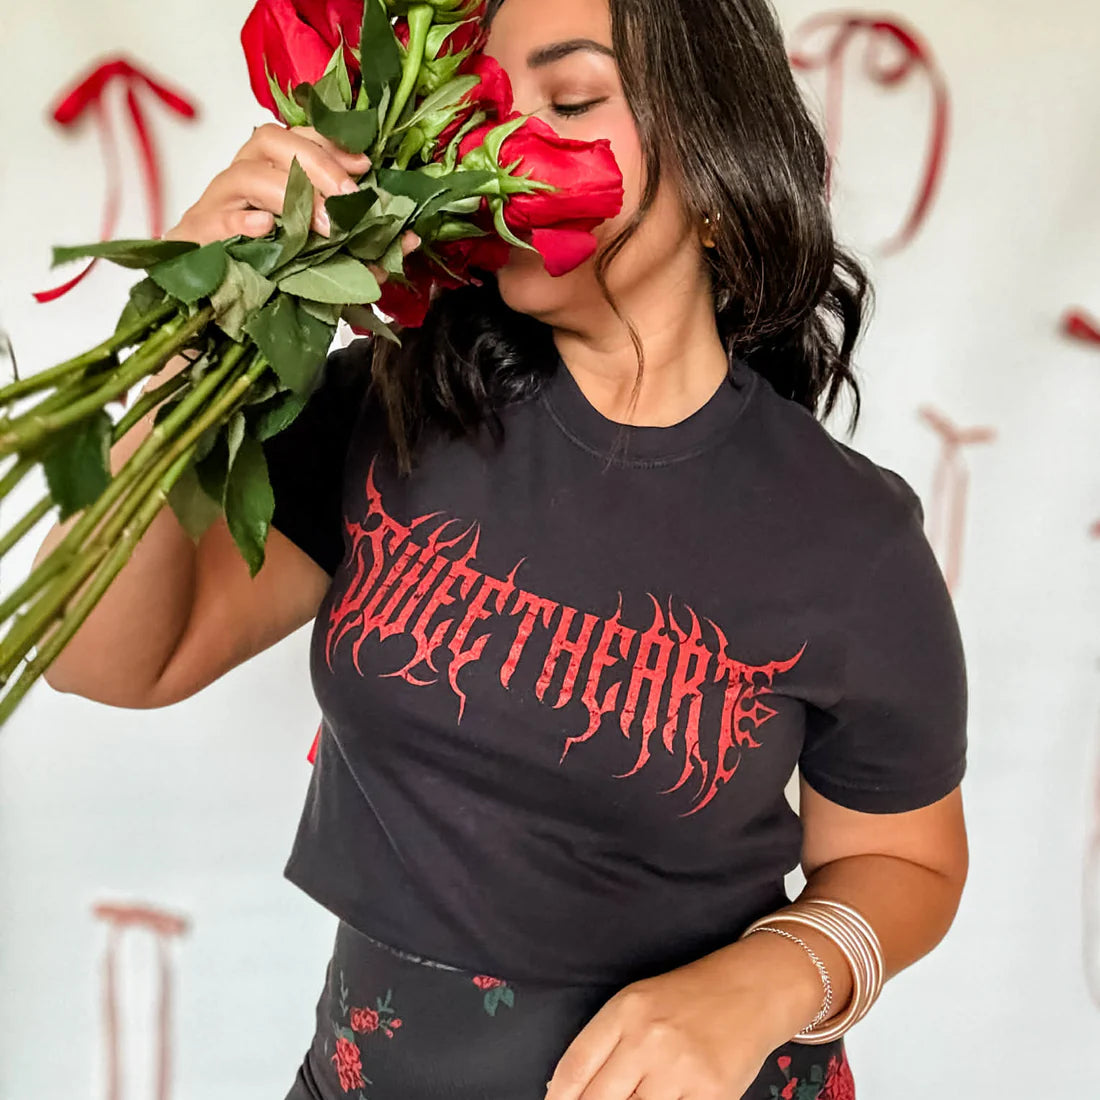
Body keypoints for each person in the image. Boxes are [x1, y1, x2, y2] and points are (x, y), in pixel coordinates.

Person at [37, 0, 970, 1097]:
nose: (498, 158)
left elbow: (902, 858)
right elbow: (107, 659)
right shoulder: (394, 406)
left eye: (569, 101)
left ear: (720, 160)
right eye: (481, 115)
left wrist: (758, 985)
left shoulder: (848, 535)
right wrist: (184, 338)